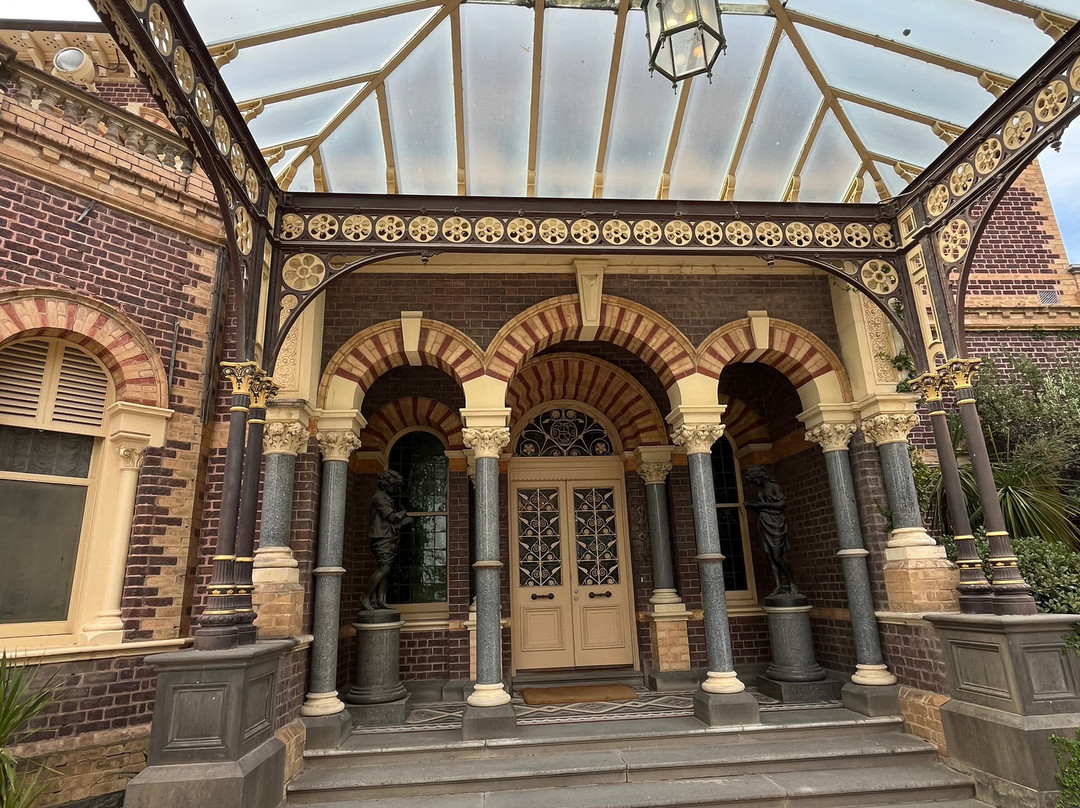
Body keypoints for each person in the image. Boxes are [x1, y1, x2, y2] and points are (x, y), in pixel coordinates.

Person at [361, 470, 413, 610]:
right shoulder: (380, 498)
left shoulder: (384, 497)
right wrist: (403, 514)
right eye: (394, 486)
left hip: (388, 536)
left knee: (386, 568)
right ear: (387, 484)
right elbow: (392, 517)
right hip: (381, 537)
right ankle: (366, 596)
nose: (395, 490)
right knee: (384, 568)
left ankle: (380, 599)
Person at [743, 466, 798, 597]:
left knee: (778, 556)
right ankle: (778, 585)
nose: (755, 483)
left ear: (760, 476)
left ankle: (792, 582)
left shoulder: (774, 487)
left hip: (776, 522)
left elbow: (782, 504)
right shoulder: (761, 490)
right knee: (771, 556)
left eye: (755, 480)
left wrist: (763, 505)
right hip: (764, 521)